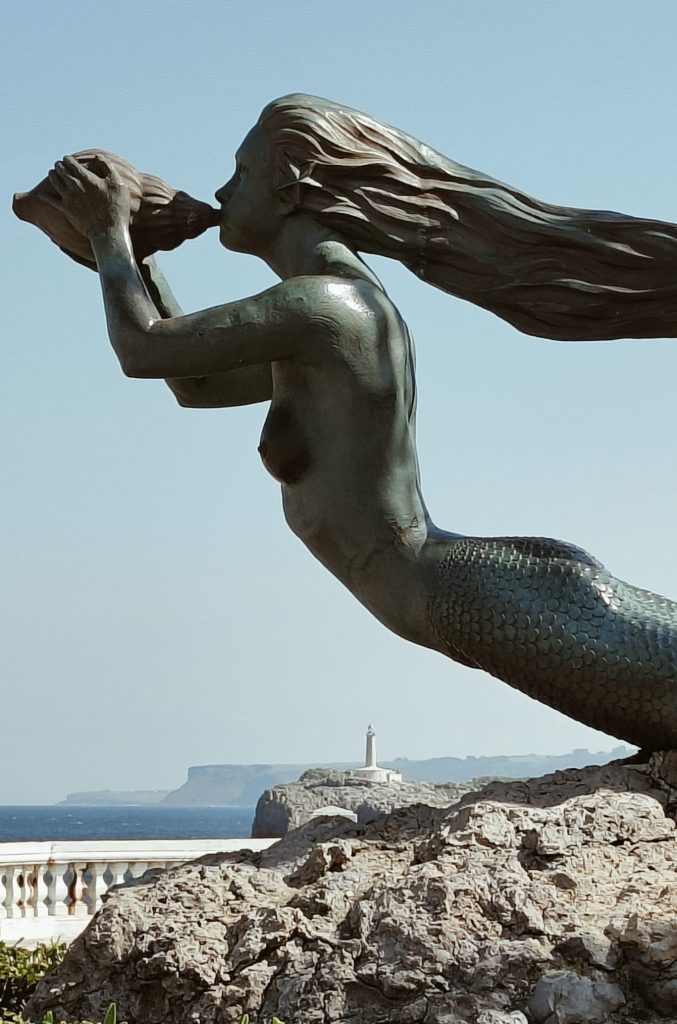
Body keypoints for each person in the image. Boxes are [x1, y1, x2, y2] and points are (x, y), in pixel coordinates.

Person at [44, 94, 677, 750]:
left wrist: (108, 231)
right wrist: (135, 256)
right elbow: (194, 383)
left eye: (240, 172)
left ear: (292, 184)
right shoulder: (318, 314)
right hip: (442, 591)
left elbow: (142, 350)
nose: (221, 189)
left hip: (454, 591)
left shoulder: (326, 304)